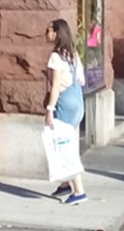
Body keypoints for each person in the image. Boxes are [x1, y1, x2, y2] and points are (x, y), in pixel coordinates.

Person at [44, 18, 87, 205]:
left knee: (64, 147)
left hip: (64, 104)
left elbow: (55, 87)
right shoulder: (73, 55)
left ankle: (79, 191)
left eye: (49, 30)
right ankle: (64, 184)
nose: (46, 34)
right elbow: (82, 80)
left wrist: (50, 109)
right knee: (67, 142)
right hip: (77, 102)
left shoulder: (55, 57)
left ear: (56, 33)